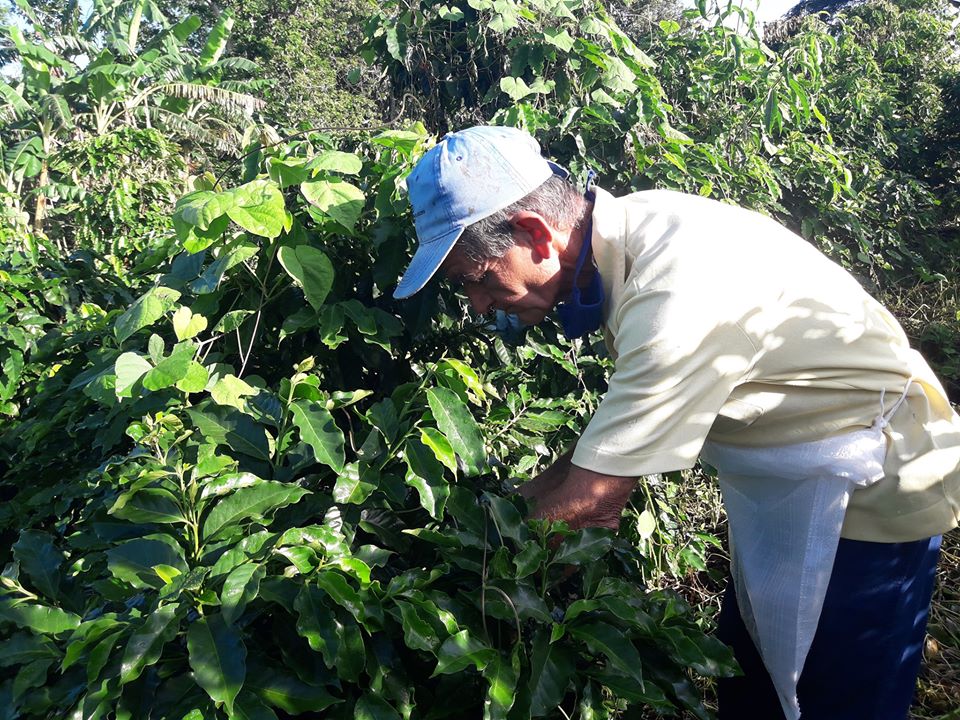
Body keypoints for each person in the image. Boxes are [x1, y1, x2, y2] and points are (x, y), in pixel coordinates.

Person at [392, 125, 960, 720]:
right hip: (793, 481)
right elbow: (614, 439)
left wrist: (463, 592)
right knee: (757, 676)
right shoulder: (629, 239)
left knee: (839, 697)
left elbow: (594, 501)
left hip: (870, 481)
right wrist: (509, 502)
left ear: (536, 234)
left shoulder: (672, 288)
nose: (480, 305)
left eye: (477, 279)